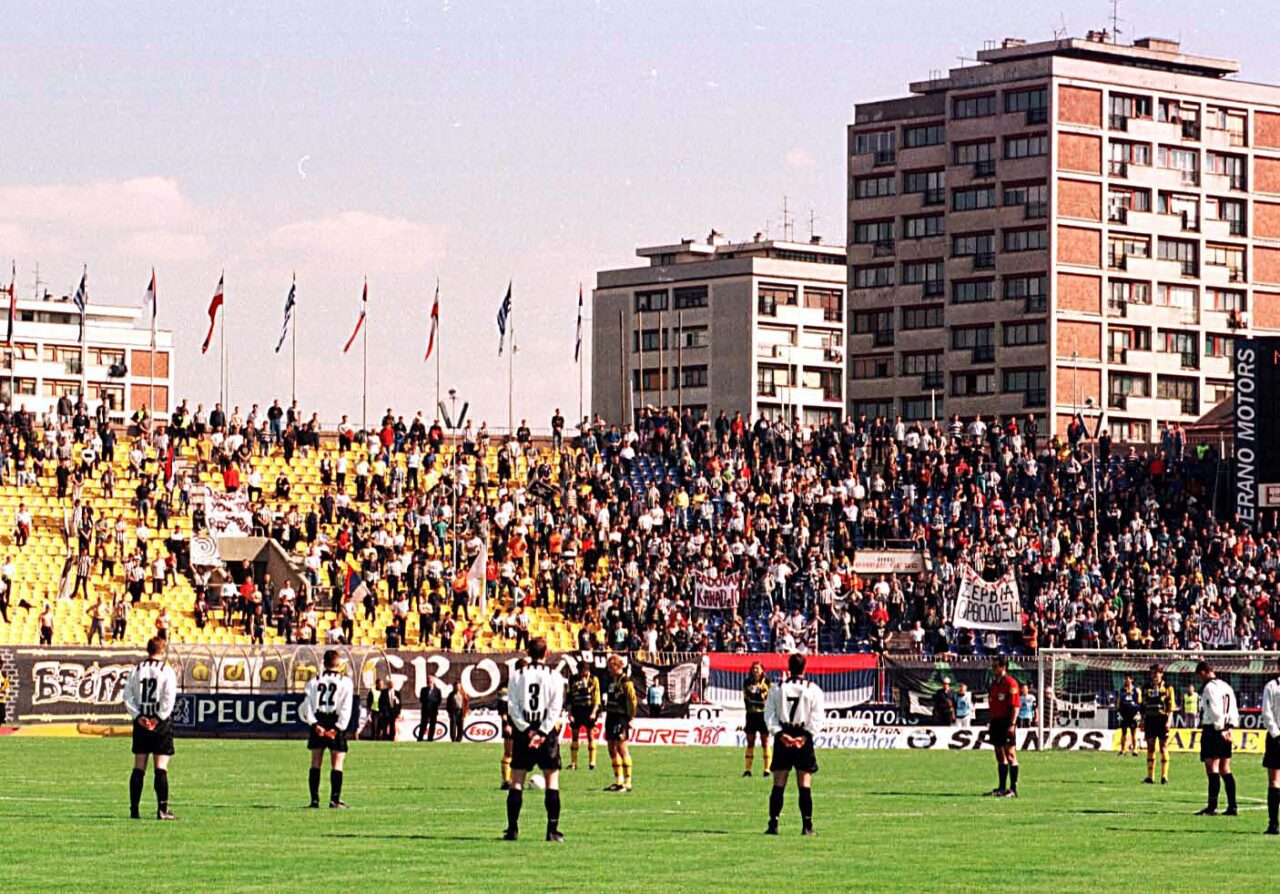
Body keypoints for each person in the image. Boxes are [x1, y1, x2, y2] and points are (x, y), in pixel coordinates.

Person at [503, 637, 566, 842]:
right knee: (552, 780)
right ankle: (552, 831)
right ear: (546, 653)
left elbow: (512, 708)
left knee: (517, 780)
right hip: (546, 733)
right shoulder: (555, 676)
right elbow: (555, 709)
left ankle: (512, 829)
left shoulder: (517, 676)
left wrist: (527, 730)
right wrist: (542, 733)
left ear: (528, 652)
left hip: (524, 732)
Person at [763, 651, 824, 836]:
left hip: (783, 735)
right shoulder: (813, 689)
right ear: (804, 668)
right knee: (804, 784)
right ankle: (807, 826)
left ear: (788, 668)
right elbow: (817, 717)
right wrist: (804, 737)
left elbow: (769, 715)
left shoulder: (777, 688)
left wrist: (781, 734)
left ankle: (773, 824)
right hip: (802, 736)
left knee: (778, 783)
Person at [122, 636, 179, 820]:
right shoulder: (166, 670)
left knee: (139, 766)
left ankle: (134, 810)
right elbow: (169, 698)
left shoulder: (136, 670)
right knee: (160, 766)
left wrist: (139, 717)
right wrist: (157, 718)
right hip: (160, 723)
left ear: (148, 650)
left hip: (141, 722)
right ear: (162, 651)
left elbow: (127, 695)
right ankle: (162, 810)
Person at [299, 649, 355, 809]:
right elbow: (346, 708)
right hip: (335, 720)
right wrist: (337, 729)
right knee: (337, 763)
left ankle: (314, 800)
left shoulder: (313, 682)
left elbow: (307, 706)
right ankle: (334, 800)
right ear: (338, 664)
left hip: (319, 719)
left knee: (315, 762)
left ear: (323, 663)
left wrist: (315, 725)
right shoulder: (346, 682)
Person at [1195, 660, 1239, 816]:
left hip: (1214, 729)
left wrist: (1220, 728)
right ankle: (1232, 806)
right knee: (1225, 768)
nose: (1199, 679)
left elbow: (1215, 710)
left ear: (1203, 672)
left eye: (1199, 676)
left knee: (1211, 767)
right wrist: (1230, 727)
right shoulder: (1226, 686)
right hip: (1226, 728)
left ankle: (1212, 806)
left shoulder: (1209, 687)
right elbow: (1233, 708)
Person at [985, 657, 1021, 798]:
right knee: (999, 754)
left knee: (1010, 754)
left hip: (1006, 722)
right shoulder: (994, 684)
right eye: (993, 666)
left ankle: (1013, 789)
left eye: (995, 666)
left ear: (1003, 667)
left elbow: (1015, 706)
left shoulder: (1010, 683)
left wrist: (1012, 724)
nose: (993, 669)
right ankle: (1001, 787)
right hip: (996, 722)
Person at [603, 654, 637, 792]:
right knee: (611, 749)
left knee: (622, 749)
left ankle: (627, 783)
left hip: (621, 717)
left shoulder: (626, 682)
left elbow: (632, 700)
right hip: (610, 716)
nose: (609, 670)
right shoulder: (612, 681)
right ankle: (618, 781)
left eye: (611, 667)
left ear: (618, 666)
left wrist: (631, 716)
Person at [1141, 664, 1176, 785]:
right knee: (1150, 746)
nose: (1154, 675)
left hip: (1162, 719)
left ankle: (1164, 776)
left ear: (1161, 674)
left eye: (1156, 673)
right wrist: (1142, 719)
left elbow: (1171, 706)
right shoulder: (1146, 687)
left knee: (1163, 746)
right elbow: (1143, 704)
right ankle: (1150, 776)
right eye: (1152, 673)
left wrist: (1169, 720)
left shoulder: (1168, 687)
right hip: (1150, 719)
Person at [566, 661, 600, 771]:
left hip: (588, 709)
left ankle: (592, 762)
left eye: (584, 671)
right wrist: (570, 713)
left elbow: (597, 697)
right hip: (576, 710)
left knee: (590, 735)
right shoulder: (573, 679)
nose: (582, 673)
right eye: (580, 671)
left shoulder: (593, 679)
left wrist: (594, 712)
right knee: (574, 736)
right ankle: (573, 763)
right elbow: (569, 696)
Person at [743, 660, 772, 777]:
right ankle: (747, 770)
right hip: (751, 714)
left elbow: (767, 698)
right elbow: (747, 697)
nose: (755, 670)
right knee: (750, 741)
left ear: (762, 670)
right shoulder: (747, 682)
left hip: (763, 715)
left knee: (765, 741)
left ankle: (767, 769)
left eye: (757, 668)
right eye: (753, 668)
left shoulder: (768, 682)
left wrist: (759, 695)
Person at [1262, 666, 1280, 835]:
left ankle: (1273, 824)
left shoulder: (1271, 686)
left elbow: (1267, 713)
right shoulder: (1272, 686)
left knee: (1274, 780)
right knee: (1274, 780)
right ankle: (1273, 823)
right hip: (1276, 737)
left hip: (1276, 737)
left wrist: (1276, 734)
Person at [1117, 675, 1140, 756]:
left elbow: (1139, 701)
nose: (1126, 680)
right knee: (1123, 732)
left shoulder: (1136, 690)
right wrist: (1118, 712)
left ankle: (1135, 750)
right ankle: (1123, 750)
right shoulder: (1122, 690)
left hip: (1133, 714)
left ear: (1131, 680)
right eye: (1125, 679)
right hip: (1124, 714)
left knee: (1133, 732)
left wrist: (1138, 713)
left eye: (1127, 679)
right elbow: (1119, 702)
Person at [417, 675, 442, 742]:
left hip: (433, 711)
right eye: (428, 681)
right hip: (425, 710)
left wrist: (432, 703)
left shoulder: (437, 691)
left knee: (432, 725)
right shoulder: (423, 690)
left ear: (433, 682)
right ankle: (420, 738)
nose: (429, 682)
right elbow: (421, 699)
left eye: (431, 681)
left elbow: (439, 700)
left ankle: (430, 738)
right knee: (423, 724)